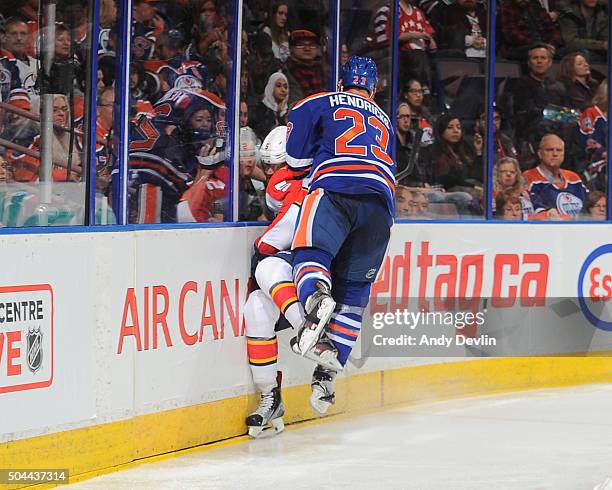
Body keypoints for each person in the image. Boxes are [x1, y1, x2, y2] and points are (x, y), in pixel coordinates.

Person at [286, 56, 395, 415]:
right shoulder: (385, 120)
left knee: (309, 252)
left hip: (334, 189)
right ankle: (327, 377)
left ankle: (316, 298)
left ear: (340, 82)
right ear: (374, 88)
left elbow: (295, 159)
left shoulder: (317, 101)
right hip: (381, 206)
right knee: (355, 288)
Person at [522, 133, 588, 219]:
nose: (555, 154)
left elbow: (591, 204)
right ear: (540, 153)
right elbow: (528, 213)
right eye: (549, 150)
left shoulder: (574, 177)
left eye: (559, 150)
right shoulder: (528, 177)